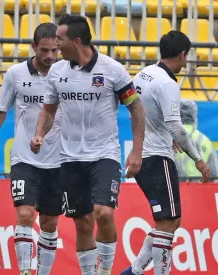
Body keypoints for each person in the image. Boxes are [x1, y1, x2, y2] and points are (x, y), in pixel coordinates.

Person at [30, 14, 145, 275]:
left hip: (104, 154)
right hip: (69, 158)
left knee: (103, 213)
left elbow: (137, 110)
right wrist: (40, 134)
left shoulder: (112, 70)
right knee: (82, 223)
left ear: (77, 41)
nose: (56, 44)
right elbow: (48, 111)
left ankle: (104, 270)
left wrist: (137, 151)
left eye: (60, 39)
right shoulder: (57, 72)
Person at [0, 23, 62, 275]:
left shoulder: (65, 74)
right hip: (25, 158)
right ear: (33, 47)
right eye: (44, 50)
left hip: (58, 160)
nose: (50, 57)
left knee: (49, 222)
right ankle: (24, 271)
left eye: (55, 51)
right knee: (24, 214)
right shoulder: (15, 74)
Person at [121, 30, 211, 275]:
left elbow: (142, 113)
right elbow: (176, 126)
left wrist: (162, 133)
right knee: (168, 222)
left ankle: (135, 271)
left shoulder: (143, 74)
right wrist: (199, 160)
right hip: (157, 158)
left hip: (142, 153)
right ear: (182, 55)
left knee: (170, 221)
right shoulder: (167, 83)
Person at [175, 99, 218, 180]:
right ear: (194, 115)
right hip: (199, 188)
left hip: (176, 187)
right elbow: (214, 172)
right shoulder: (204, 140)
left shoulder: (171, 138)